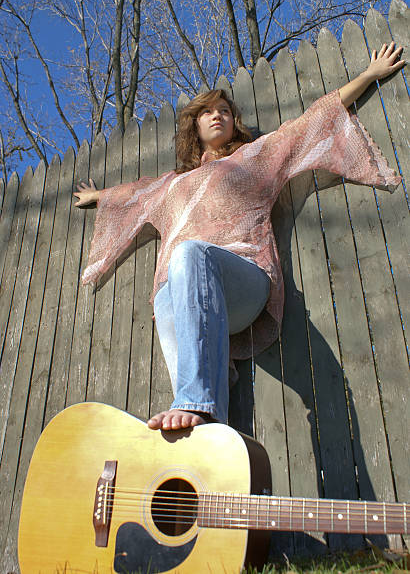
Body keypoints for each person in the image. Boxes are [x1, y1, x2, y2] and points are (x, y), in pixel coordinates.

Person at [74, 42, 404, 431]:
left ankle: (196, 401)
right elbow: (135, 195)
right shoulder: (171, 186)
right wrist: (99, 197)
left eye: (225, 111)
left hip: (245, 281)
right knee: (163, 294)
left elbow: (308, 125)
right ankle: (206, 430)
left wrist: (368, 75)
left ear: (235, 122)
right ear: (195, 126)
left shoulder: (254, 158)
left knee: (188, 254)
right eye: (209, 112)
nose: (218, 116)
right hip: (190, 298)